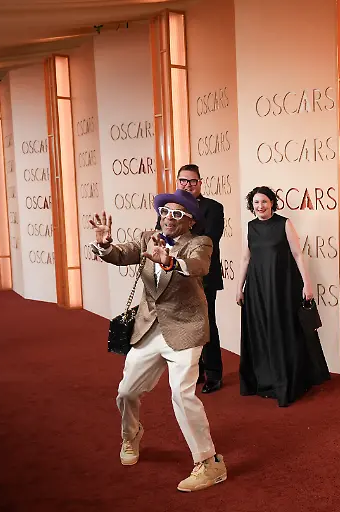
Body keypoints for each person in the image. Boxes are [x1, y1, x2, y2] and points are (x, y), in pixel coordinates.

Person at [89, 189, 226, 492]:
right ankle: (132, 433)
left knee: (181, 394)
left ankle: (209, 463)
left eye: (177, 214)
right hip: (150, 328)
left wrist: (170, 261)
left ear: (190, 221)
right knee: (126, 392)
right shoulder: (147, 237)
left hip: (185, 328)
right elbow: (121, 254)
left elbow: (199, 266)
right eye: (165, 211)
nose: (168, 218)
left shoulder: (200, 243)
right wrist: (104, 244)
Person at [236, 186, 330, 407]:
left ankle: (288, 380)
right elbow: (245, 260)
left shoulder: (284, 223)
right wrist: (239, 287)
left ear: (272, 203)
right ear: (252, 205)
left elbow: (298, 254)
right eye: (256, 203)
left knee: (283, 331)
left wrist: (307, 284)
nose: (260, 206)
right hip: (257, 287)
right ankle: (265, 379)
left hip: (283, 286)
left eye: (264, 202)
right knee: (261, 332)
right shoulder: (250, 227)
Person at [156, 164, 225, 393]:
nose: (187, 185)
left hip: (203, 273)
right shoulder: (171, 207)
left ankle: (214, 374)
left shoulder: (214, 208)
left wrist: (182, 243)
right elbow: (162, 234)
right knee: (184, 324)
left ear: (200, 183)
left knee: (207, 323)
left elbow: (210, 238)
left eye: (192, 181)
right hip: (174, 274)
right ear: (178, 182)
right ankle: (196, 371)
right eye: (183, 181)